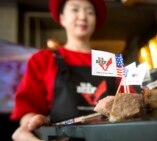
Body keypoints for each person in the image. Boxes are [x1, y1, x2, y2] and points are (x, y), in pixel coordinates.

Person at [10, 0, 122, 140]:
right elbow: (27, 108)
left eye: (90, 12)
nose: (82, 16)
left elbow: (126, 101)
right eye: (75, 10)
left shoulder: (110, 61)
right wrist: (31, 123)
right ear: (62, 18)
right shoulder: (44, 59)